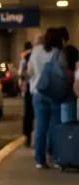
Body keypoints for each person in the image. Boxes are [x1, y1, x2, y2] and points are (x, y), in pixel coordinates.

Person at [28, 27, 64, 169]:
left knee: (40, 127)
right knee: (54, 126)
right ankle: (53, 157)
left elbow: (29, 71)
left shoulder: (35, 51)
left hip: (39, 91)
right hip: (54, 93)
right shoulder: (58, 53)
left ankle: (39, 160)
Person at [57, 27, 78, 124]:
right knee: (70, 121)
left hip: (63, 90)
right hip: (72, 90)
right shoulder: (74, 50)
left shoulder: (58, 53)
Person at [19, 40, 35, 146]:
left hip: (29, 88)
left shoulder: (25, 56)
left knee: (28, 114)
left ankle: (27, 137)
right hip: (39, 87)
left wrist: (21, 86)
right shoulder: (36, 54)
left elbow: (21, 73)